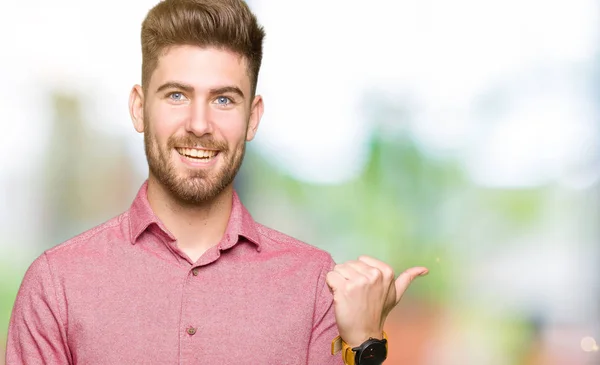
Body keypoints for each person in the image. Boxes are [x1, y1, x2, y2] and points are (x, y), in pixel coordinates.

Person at [5, 0, 428, 364]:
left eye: (223, 99)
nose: (199, 124)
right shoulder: (55, 284)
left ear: (253, 117)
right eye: (176, 95)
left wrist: (365, 344)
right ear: (138, 108)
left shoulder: (314, 284)